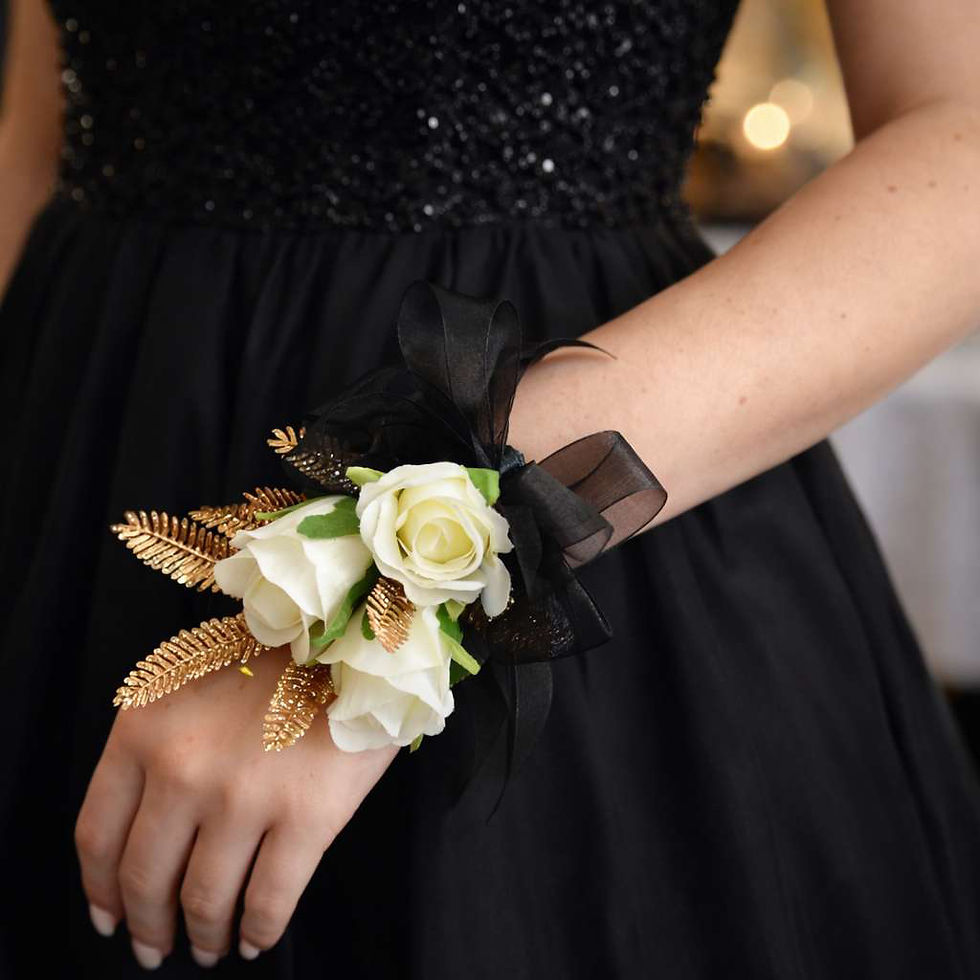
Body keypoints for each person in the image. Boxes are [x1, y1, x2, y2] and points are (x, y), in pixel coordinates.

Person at [1, 0, 979, 976]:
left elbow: (958, 142)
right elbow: (47, 135)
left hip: (583, 514)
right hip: (74, 469)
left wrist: (355, 609)